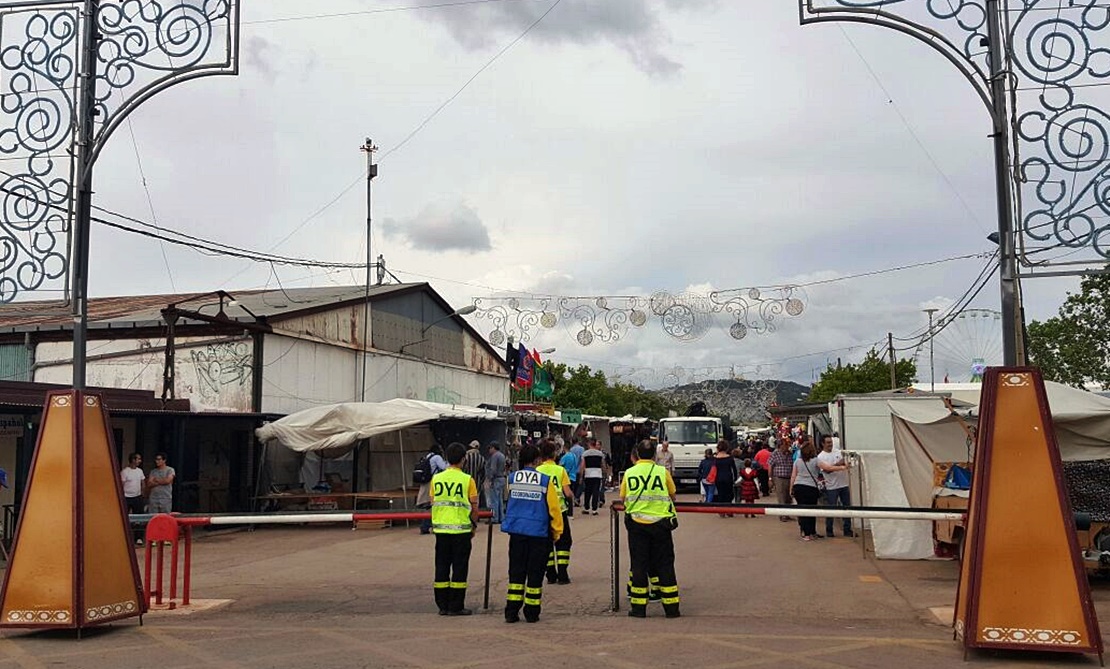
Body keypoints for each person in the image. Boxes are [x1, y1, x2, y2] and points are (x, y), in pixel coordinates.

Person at [502, 443, 564, 623]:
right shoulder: (545, 480)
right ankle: (531, 612)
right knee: (535, 574)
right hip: (538, 533)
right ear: (537, 460)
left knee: (516, 573)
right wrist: (557, 532)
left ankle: (511, 612)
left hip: (517, 532)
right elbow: (554, 509)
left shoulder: (511, 478)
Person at [622, 439, 680, 619]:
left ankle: (638, 609)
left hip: (637, 525)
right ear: (654, 455)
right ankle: (671, 609)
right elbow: (672, 495)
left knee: (639, 565)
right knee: (665, 565)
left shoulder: (629, 473)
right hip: (661, 525)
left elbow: (624, 497)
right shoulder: (662, 472)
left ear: (637, 455)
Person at [430, 442, 479, 616]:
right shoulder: (467, 480)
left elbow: (433, 502)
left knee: (441, 567)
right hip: (461, 531)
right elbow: (474, 507)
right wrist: (474, 526)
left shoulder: (436, 479)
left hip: (441, 531)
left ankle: (442, 605)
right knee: (460, 568)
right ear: (463, 459)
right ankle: (456, 605)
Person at [537, 439, 574, 584]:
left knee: (547, 544)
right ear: (554, 454)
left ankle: (550, 574)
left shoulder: (538, 471)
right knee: (564, 542)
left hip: (543, 512)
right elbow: (567, 493)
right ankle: (563, 573)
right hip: (560, 511)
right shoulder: (560, 470)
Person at [816, 434, 853, 537]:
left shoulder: (838, 452)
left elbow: (845, 463)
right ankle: (829, 530)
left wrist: (841, 464)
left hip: (843, 484)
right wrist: (839, 465)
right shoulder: (820, 457)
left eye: (831, 442)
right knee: (831, 509)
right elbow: (827, 470)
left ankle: (847, 529)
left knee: (847, 507)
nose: (830, 444)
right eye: (828, 443)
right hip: (831, 486)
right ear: (823, 443)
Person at [790, 442, 823, 541]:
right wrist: (841, 467)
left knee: (802, 511)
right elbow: (827, 468)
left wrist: (790, 489)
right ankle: (812, 532)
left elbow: (793, 476)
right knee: (812, 510)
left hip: (798, 487)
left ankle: (806, 532)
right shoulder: (816, 461)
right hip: (811, 488)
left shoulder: (797, 462)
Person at [416, 445, 448, 535]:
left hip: (425, 483)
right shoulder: (437, 457)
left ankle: (425, 527)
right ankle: (433, 526)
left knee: (427, 506)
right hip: (433, 483)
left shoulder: (427, 456)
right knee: (435, 505)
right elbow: (444, 467)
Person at [120, 452, 145, 545]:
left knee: (139, 518)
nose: (140, 461)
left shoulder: (140, 471)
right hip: (126, 497)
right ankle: (124, 537)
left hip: (137, 497)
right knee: (125, 517)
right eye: (138, 459)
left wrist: (143, 493)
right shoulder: (125, 471)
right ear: (133, 460)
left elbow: (142, 482)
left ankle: (138, 537)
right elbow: (121, 485)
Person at [767, 439, 794, 522]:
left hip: (789, 478)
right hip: (779, 478)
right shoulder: (775, 454)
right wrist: (770, 478)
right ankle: (782, 515)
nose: (787, 447)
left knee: (788, 497)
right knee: (781, 496)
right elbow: (770, 466)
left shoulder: (790, 454)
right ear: (781, 445)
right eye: (786, 445)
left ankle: (787, 514)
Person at [581, 440, 606, 515]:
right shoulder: (600, 454)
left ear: (589, 444)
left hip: (588, 474)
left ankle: (586, 508)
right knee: (596, 491)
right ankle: (594, 509)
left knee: (588, 491)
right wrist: (604, 472)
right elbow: (603, 464)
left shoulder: (585, 453)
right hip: (597, 474)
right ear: (595, 444)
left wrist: (581, 475)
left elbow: (583, 465)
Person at [485, 442, 508, 524]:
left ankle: (495, 517)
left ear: (493, 448)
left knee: (494, 499)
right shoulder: (502, 455)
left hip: (496, 479)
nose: (489, 450)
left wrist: (490, 479)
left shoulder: (494, 456)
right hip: (502, 478)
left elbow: (493, 469)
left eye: (490, 448)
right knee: (500, 500)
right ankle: (501, 517)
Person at [713, 441, 737, 517]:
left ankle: (721, 511)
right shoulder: (730, 458)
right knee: (729, 495)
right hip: (728, 478)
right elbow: (734, 470)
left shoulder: (715, 459)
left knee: (720, 494)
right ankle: (729, 511)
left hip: (718, 478)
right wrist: (735, 479)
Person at [559, 441, 581, 516]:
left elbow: (560, 466)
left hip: (566, 477)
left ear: (564, 448)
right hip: (573, 476)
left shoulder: (565, 457)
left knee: (565, 495)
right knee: (570, 495)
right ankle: (570, 512)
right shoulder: (574, 456)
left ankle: (567, 511)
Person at [462, 440, 486, 505]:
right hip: (477, 485)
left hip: (465, 483)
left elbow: (462, 469)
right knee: (475, 503)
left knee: (465, 502)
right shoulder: (481, 458)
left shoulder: (465, 457)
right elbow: (483, 474)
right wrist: (480, 482)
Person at [570, 437, 586, 506]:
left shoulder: (571, 450)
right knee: (581, 484)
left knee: (575, 485)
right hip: (580, 469)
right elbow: (583, 459)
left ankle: (575, 499)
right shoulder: (582, 449)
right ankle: (577, 498)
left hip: (573, 470)